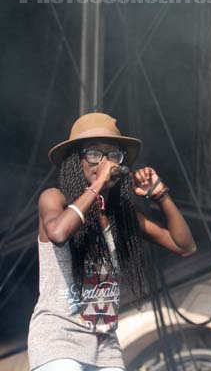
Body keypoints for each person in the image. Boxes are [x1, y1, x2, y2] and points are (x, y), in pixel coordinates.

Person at [27, 112, 197, 371]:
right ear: (77, 161)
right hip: (58, 336)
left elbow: (185, 246)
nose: (104, 162)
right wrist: (96, 187)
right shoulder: (55, 199)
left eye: (112, 155)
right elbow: (59, 233)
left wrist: (161, 195)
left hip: (104, 344)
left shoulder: (122, 215)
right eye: (94, 154)